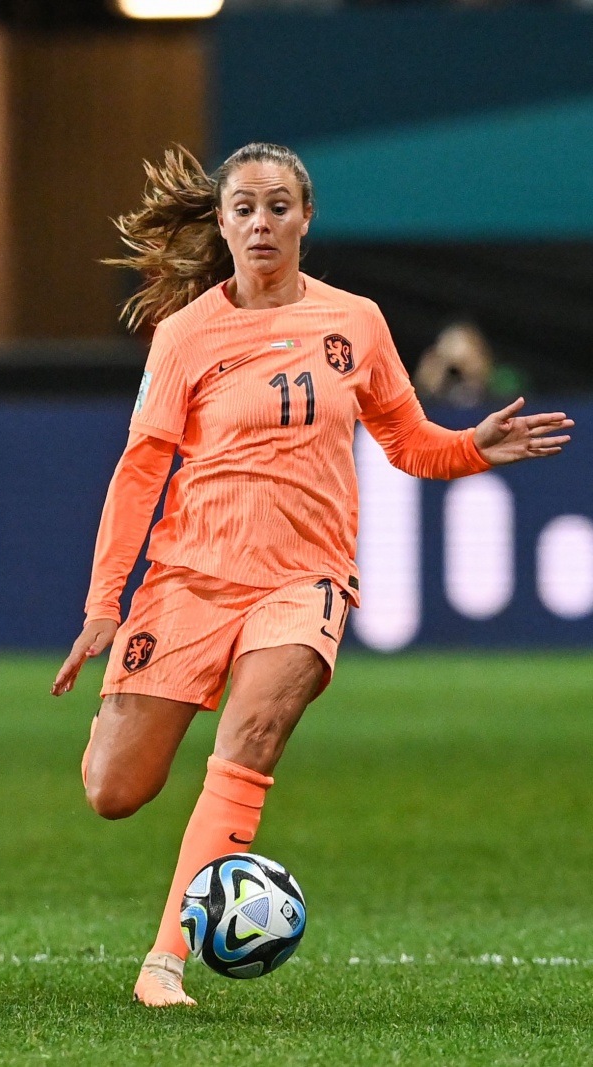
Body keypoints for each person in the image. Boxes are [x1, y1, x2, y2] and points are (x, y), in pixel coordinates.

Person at [50, 143, 571, 1008]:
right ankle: (179, 883)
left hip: (305, 579)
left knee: (250, 739)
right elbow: (141, 470)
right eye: (245, 207)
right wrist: (106, 604)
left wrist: (475, 446)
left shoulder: (356, 323)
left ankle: (166, 958)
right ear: (222, 222)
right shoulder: (184, 336)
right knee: (114, 789)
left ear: (306, 217)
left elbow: (409, 443)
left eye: (279, 205)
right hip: (189, 579)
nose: (262, 222)